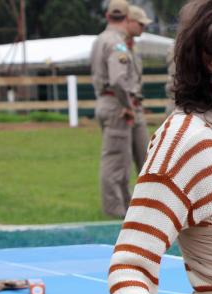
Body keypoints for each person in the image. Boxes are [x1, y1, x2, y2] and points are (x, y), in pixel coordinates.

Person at [91, 0, 136, 218]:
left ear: (108, 17)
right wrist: (127, 105)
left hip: (103, 101)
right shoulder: (117, 44)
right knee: (115, 161)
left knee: (120, 157)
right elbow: (118, 79)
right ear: (127, 19)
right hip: (115, 103)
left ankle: (123, 208)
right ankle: (115, 211)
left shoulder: (100, 39)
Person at [126, 5, 153, 173]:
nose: (143, 28)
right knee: (121, 162)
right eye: (140, 24)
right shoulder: (118, 45)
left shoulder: (133, 46)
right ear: (129, 21)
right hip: (123, 107)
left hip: (135, 106)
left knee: (146, 157)